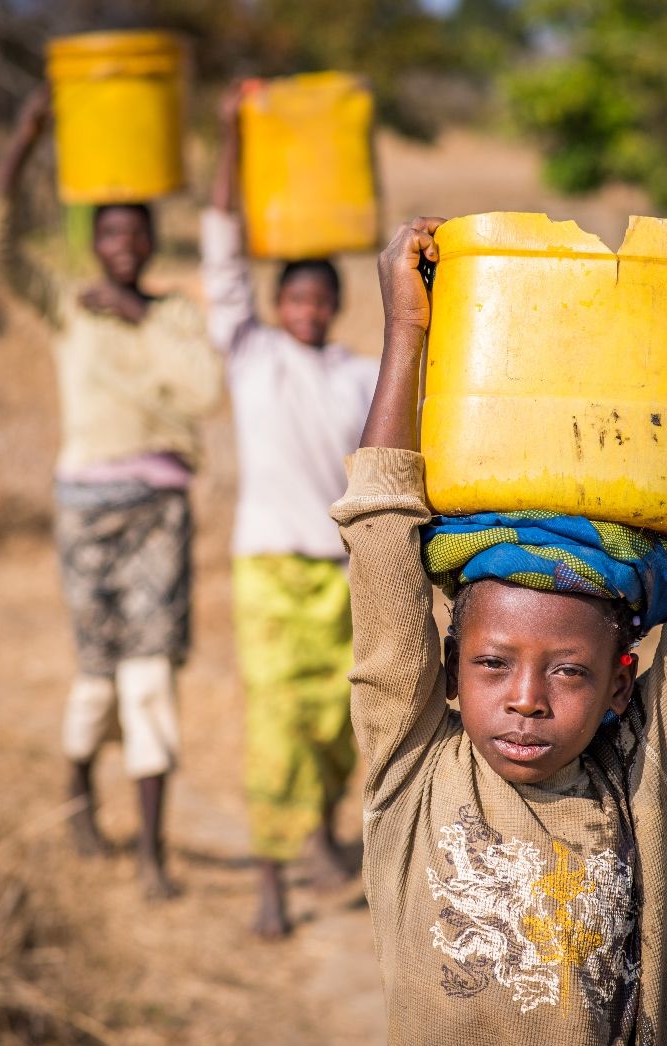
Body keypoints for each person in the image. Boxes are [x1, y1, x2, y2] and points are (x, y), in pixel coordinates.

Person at [332, 216, 667, 1043]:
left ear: (620, 682)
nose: (526, 701)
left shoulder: (640, 779)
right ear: (445, 673)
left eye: (569, 672)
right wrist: (408, 328)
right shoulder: (412, 771)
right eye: (491, 663)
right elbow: (379, 548)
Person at [0, 86, 223, 899]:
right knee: (96, 671)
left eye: (136, 232)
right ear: (97, 241)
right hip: (85, 506)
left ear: (149, 241)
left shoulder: (173, 316)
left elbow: (202, 392)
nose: (123, 245)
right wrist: (23, 139)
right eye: (110, 232)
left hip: (158, 511)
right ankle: (78, 792)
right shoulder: (68, 309)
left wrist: (138, 318)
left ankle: (150, 850)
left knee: (149, 675)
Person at [201, 83, 379, 937]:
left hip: (339, 571)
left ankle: (324, 835)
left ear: (336, 305)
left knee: (339, 725)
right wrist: (234, 136)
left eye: (321, 299)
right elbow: (221, 253)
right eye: (295, 297)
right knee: (275, 726)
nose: (307, 310)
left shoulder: (357, 374)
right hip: (268, 566)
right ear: (277, 304)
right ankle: (270, 880)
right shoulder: (249, 353)